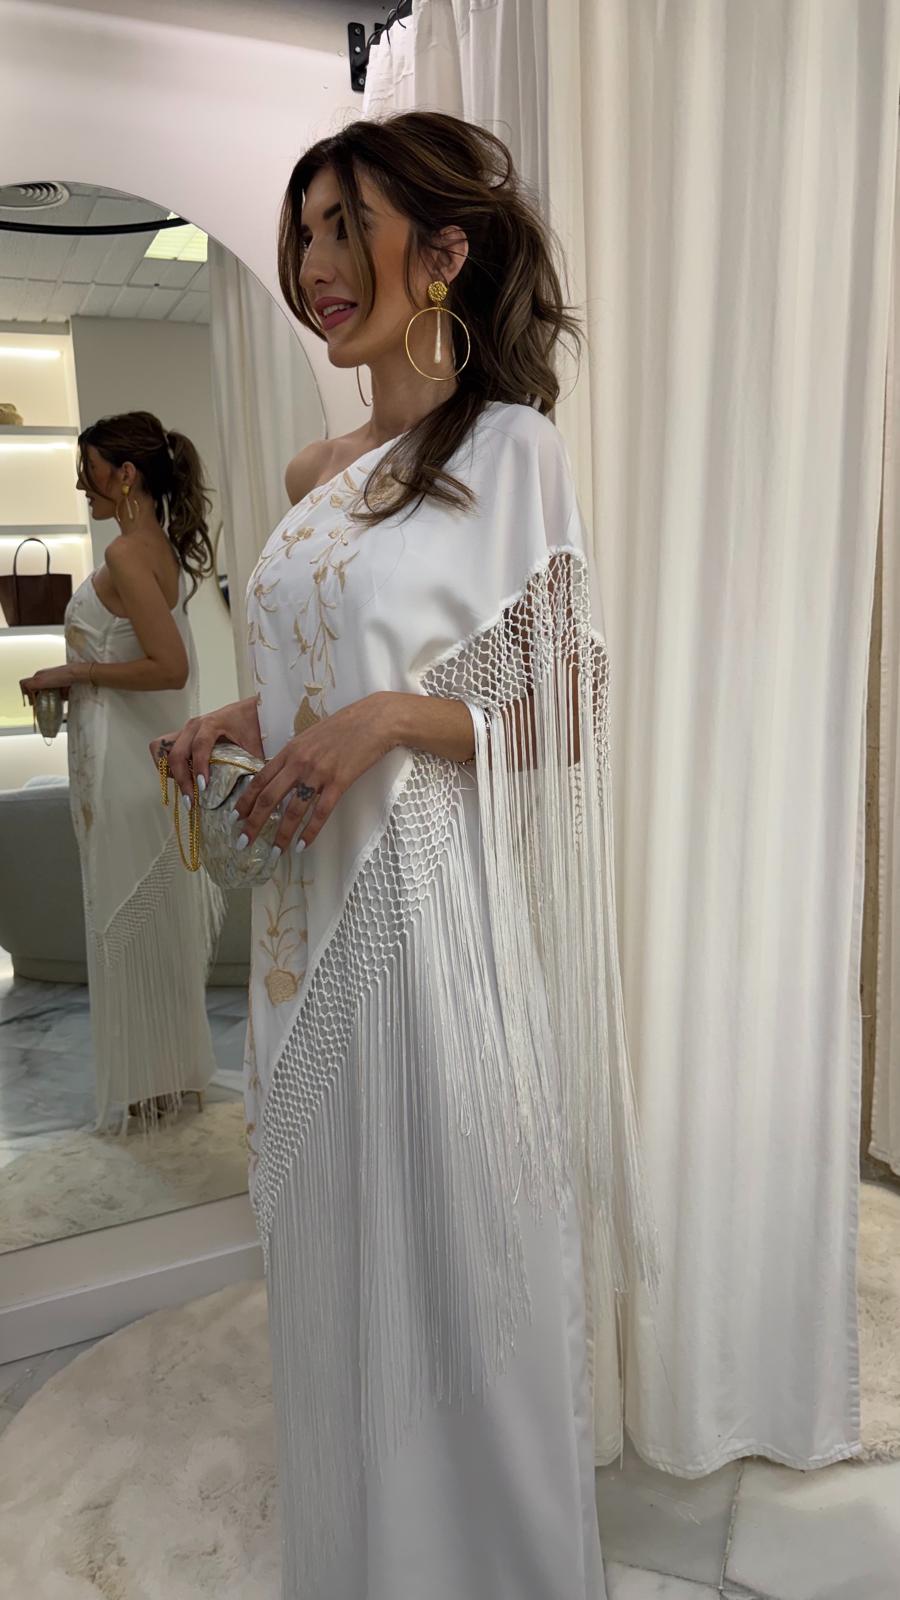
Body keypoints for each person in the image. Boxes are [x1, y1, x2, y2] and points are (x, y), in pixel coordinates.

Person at [152, 111, 661, 1600]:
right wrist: (248, 720)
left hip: (431, 932)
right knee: (340, 1259)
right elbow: (326, 671)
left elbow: (566, 704)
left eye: (345, 228)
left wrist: (382, 722)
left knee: (457, 1260)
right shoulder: (318, 467)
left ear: (440, 254)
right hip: (304, 939)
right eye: (305, 231)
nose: (317, 263)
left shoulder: (510, 452)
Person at [21, 411, 225, 1134]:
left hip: (121, 765)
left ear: (127, 474)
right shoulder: (153, 547)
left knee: (127, 924)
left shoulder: (131, 553)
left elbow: (171, 668)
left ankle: (150, 1090)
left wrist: (75, 672)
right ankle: (162, 1084)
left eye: (90, 469)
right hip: (131, 760)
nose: (83, 484)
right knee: (145, 929)